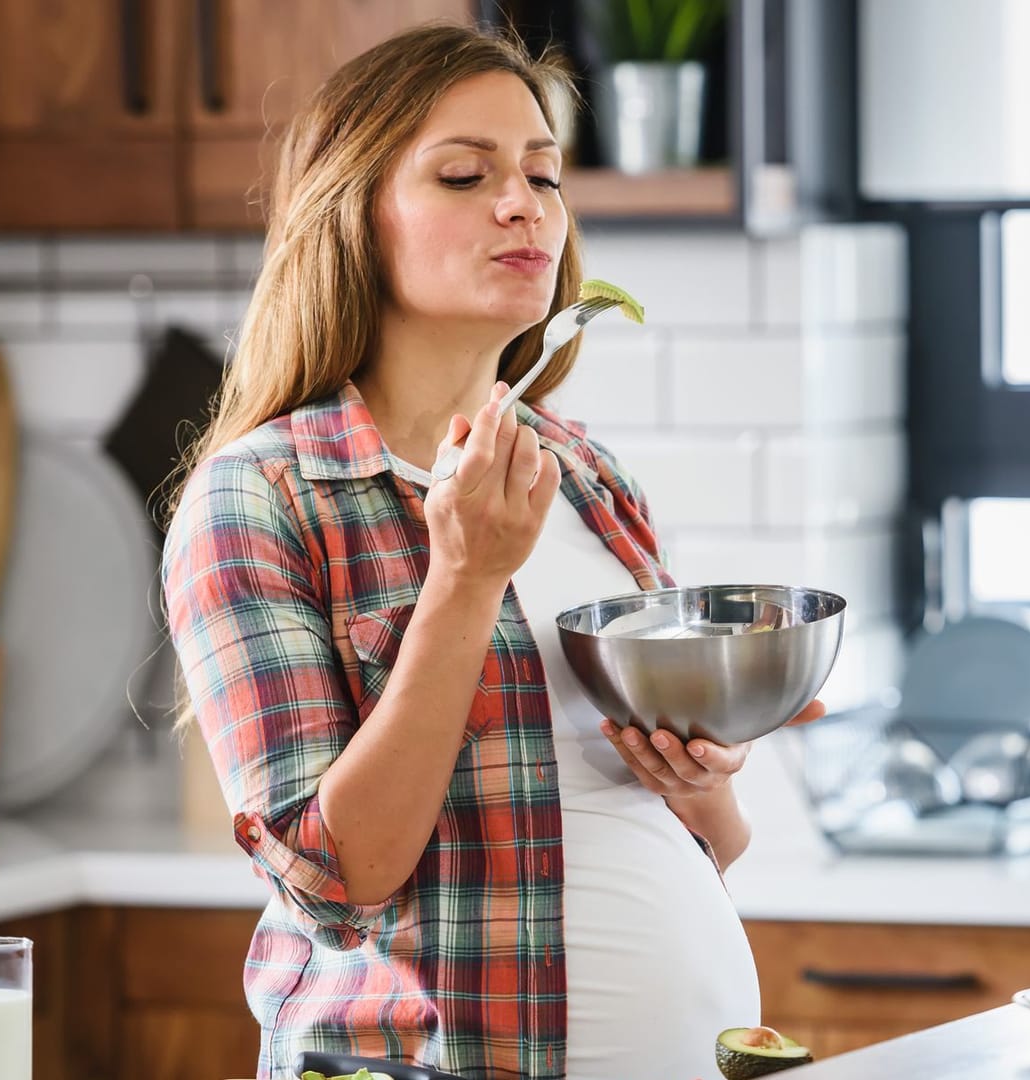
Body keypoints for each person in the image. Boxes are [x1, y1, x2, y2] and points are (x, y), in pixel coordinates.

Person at [161, 22, 823, 1080]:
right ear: (354, 219)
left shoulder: (588, 474)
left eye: (543, 174)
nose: (523, 205)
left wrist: (700, 777)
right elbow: (339, 879)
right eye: (465, 175)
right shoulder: (264, 496)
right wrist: (466, 578)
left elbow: (712, 844)